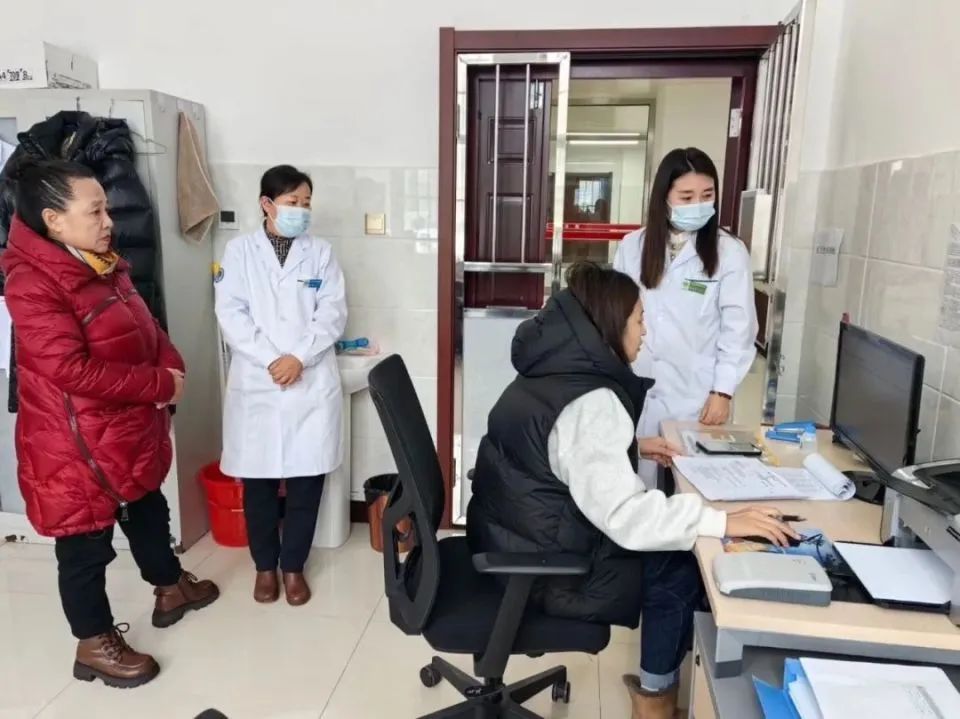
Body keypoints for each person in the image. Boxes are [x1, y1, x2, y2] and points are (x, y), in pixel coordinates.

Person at [467, 263, 795, 719]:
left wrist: (632, 447)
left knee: (680, 545)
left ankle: (660, 685)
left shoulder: (553, 368)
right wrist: (721, 521)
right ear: (610, 324)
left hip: (508, 540)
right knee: (683, 565)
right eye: (640, 320)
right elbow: (627, 518)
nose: (645, 333)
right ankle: (654, 702)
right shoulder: (592, 402)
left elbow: (551, 450)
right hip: (551, 571)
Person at [0, 159, 219, 689]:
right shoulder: (32, 283)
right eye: (95, 211)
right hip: (75, 444)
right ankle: (94, 644)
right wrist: (159, 385)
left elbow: (147, 326)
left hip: (123, 429)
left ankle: (170, 587)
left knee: (147, 507)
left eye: (106, 209)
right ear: (54, 220)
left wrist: (170, 366)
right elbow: (69, 370)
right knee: (84, 544)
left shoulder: (103, 263)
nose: (108, 221)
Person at [215, 165, 347, 606]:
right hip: (259, 379)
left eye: (307, 203)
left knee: (307, 482)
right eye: (293, 202)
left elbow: (332, 312)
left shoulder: (321, 253)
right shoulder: (239, 252)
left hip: (308, 378)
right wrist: (273, 359)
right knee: (259, 488)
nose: (302, 210)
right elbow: (231, 313)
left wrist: (299, 357)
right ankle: (264, 568)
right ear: (267, 204)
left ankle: (293, 567)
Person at [614, 147, 757, 486]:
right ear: (664, 197)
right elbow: (615, 317)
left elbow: (738, 330)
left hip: (699, 395)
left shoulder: (729, 252)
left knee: (692, 487)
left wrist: (722, 392)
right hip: (640, 385)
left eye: (707, 195)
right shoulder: (632, 247)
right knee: (636, 484)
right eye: (687, 196)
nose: (698, 205)